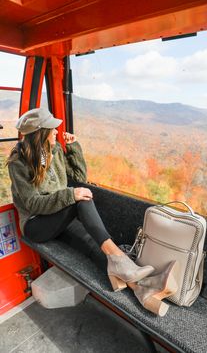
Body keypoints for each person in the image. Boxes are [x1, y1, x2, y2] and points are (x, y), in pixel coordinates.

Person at [7, 108, 177, 316]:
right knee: (81, 201)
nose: (56, 132)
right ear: (40, 133)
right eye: (52, 129)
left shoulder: (56, 151)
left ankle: (141, 290)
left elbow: (79, 177)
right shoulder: (18, 162)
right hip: (36, 224)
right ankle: (129, 270)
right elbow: (33, 204)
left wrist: (74, 148)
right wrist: (71, 195)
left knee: (92, 242)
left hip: (57, 215)